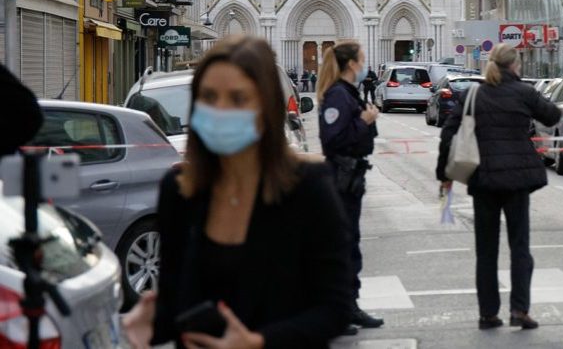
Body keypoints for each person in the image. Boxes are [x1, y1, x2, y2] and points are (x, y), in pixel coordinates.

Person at [122, 35, 354, 349]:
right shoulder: (178, 191)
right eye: (209, 96)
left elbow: (334, 309)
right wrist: (141, 328)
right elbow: (175, 303)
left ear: (266, 106)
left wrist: (256, 342)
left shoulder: (309, 187)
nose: (221, 110)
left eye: (238, 99)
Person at [436, 44, 561, 330]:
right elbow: (552, 116)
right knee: (520, 247)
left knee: (486, 251)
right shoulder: (524, 92)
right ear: (515, 66)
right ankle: (519, 310)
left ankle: (488, 314)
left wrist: (444, 174)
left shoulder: (473, 94)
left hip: (484, 181)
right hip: (517, 181)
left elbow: (448, 133)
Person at [316, 41, 384, 330]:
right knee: (344, 245)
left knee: (349, 242)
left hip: (351, 177)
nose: (364, 65)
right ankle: (342, 309)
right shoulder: (338, 96)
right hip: (342, 177)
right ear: (352, 65)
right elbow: (333, 139)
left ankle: (348, 306)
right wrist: (365, 120)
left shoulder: (346, 94)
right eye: (362, 60)